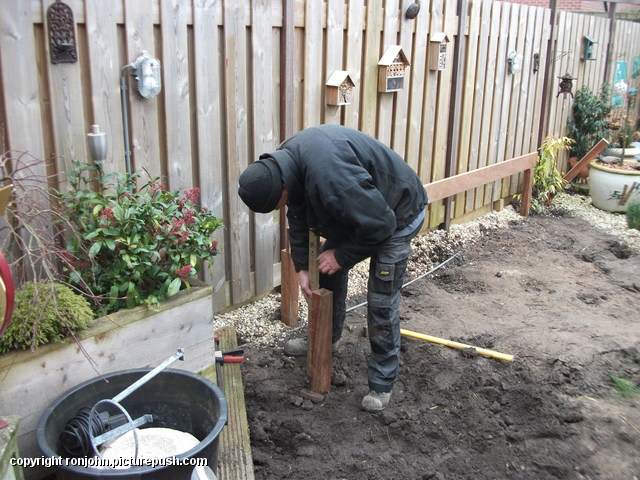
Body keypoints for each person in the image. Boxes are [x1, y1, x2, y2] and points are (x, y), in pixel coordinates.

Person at [238, 124, 428, 411]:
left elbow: (382, 224)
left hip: (398, 213)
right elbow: (299, 215)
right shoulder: (288, 162)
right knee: (324, 272)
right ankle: (328, 340)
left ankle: (381, 382)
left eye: (279, 203)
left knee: (380, 299)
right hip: (359, 211)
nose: (282, 207)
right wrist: (302, 267)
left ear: (282, 187)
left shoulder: (333, 179)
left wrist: (341, 255)